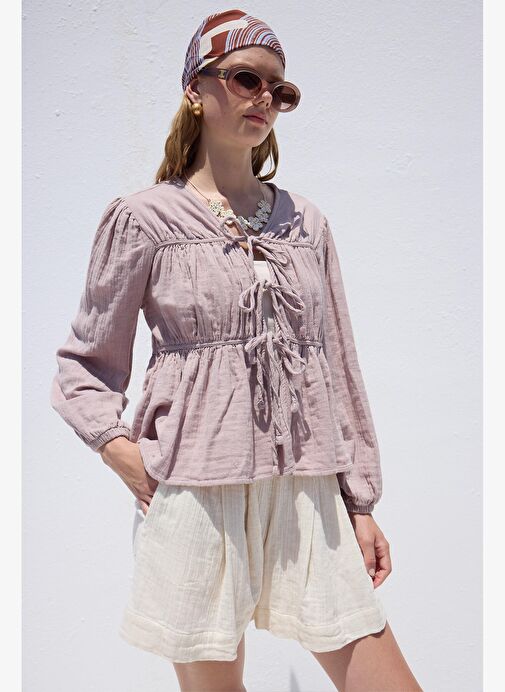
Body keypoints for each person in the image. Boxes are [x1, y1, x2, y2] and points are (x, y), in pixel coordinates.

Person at [50, 8, 422, 692]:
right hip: (195, 493)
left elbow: (339, 364)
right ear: (196, 87)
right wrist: (121, 453)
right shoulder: (144, 219)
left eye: (280, 90)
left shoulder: (306, 223)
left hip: (308, 490)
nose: (264, 99)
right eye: (247, 78)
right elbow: (85, 363)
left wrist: (360, 501)